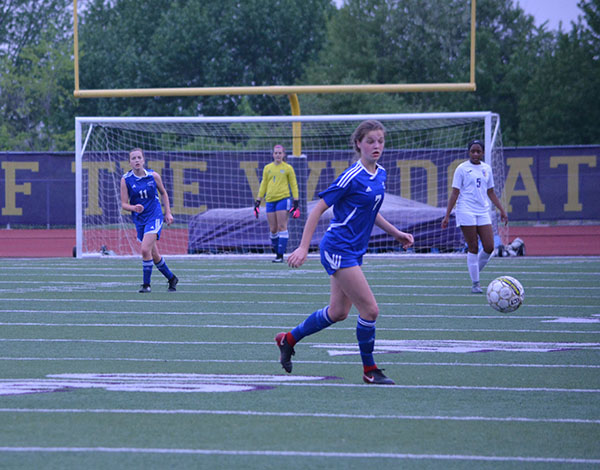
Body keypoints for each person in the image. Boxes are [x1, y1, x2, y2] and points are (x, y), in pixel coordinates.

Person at [276, 120, 414, 385]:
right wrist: (304, 247)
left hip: (353, 249)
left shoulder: (380, 174)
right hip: (338, 248)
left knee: (338, 312)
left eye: (380, 141)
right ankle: (369, 370)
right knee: (370, 310)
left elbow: (371, 212)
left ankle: (288, 339)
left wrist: (395, 233)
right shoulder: (350, 176)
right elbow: (317, 209)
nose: (376, 146)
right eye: (370, 141)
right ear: (358, 144)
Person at [441, 139, 508, 293]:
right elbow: (455, 193)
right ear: (468, 152)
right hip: (465, 210)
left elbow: (490, 192)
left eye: (478, 151)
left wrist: (502, 210)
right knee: (472, 246)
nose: (476, 154)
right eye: (473, 151)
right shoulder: (462, 169)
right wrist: (447, 215)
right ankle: (475, 283)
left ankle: (474, 271)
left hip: (483, 211)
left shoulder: (487, 169)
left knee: (489, 247)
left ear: (483, 152)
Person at [120, 148, 179, 293]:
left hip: (155, 216)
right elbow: (123, 204)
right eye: (133, 158)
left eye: (139, 157)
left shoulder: (153, 176)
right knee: (154, 255)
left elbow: (164, 193)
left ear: (143, 160)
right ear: (129, 163)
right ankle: (171, 278)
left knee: (145, 249)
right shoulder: (126, 179)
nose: (137, 160)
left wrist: (168, 213)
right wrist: (134, 208)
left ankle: (146, 285)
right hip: (140, 219)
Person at [254, 144, 300, 263]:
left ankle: (280, 255)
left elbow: (293, 184)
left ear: (284, 154)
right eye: (276, 153)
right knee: (273, 229)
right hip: (269, 200)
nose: (278, 155)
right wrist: (258, 200)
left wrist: (296, 201)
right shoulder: (267, 168)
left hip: (283, 199)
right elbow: (263, 184)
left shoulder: (288, 168)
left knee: (282, 226)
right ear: (273, 154)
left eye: (280, 153)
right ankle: (277, 252)